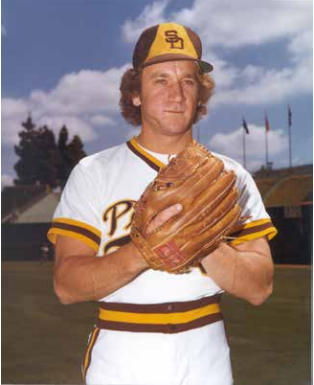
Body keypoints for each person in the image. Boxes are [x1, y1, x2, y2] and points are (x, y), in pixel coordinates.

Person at [48, 22, 277, 385]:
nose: (177, 94)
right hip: (123, 349)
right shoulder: (93, 171)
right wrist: (145, 250)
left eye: (188, 81)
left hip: (207, 350)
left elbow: (260, 287)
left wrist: (200, 241)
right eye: (161, 80)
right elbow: (66, 286)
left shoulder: (231, 177)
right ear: (135, 93)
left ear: (200, 93)